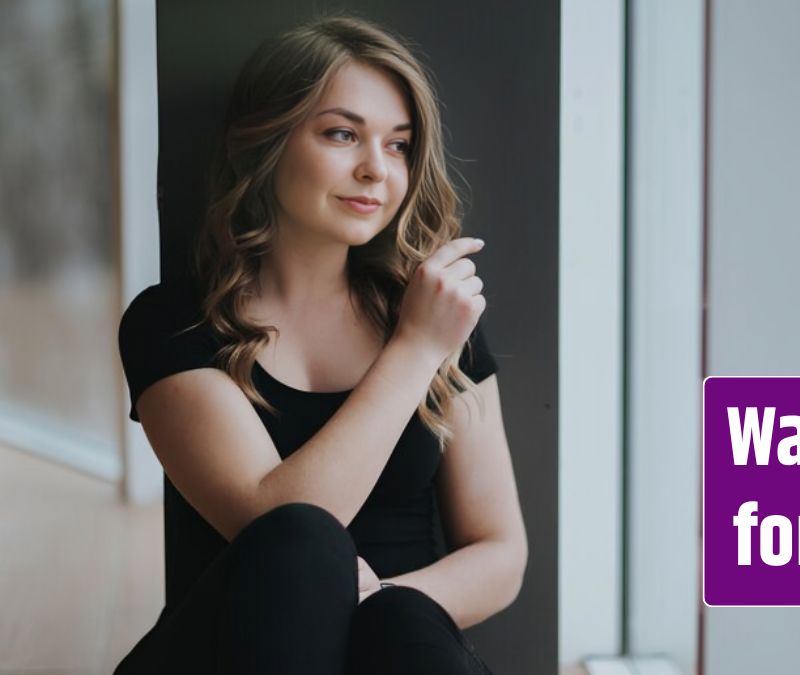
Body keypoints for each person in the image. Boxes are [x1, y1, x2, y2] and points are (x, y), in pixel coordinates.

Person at [114, 15, 526, 675]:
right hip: (234, 652)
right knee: (304, 539)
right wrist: (414, 352)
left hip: (398, 644)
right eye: (342, 134)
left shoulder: (439, 319)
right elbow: (281, 529)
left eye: (398, 145)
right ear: (265, 144)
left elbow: (501, 552)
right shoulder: (172, 324)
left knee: (403, 628)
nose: (376, 170)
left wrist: (383, 599)